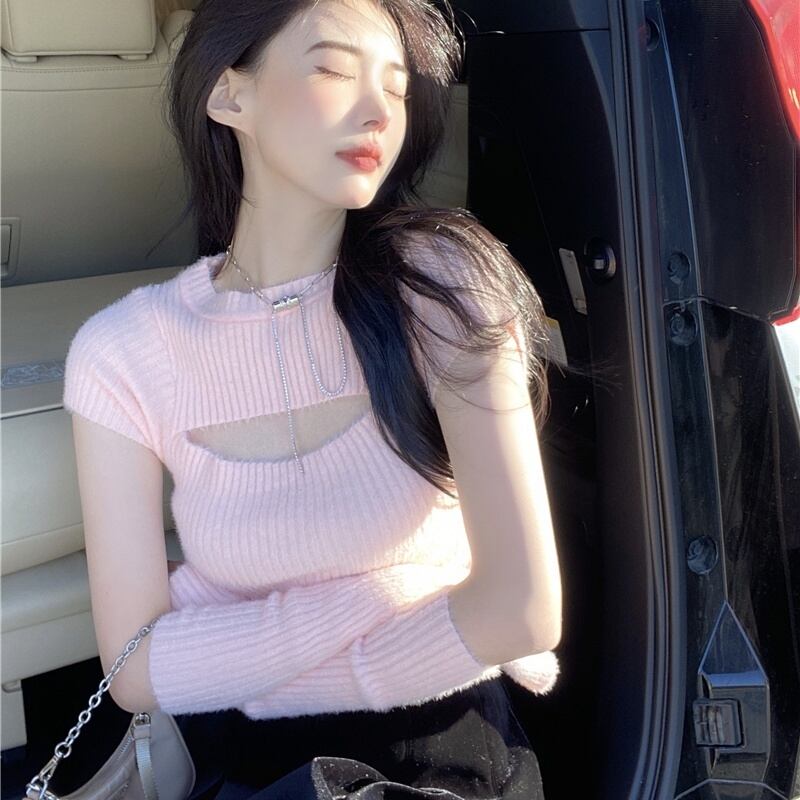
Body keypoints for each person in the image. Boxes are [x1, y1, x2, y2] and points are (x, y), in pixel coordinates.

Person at [62, 0, 564, 796]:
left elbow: (524, 611)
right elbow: (137, 668)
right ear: (230, 95)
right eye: (333, 68)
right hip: (251, 767)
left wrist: (223, 649)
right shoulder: (122, 352)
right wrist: (394, 593)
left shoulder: (442, 285)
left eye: (397, 88)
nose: (378, 111)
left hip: (449, 754)